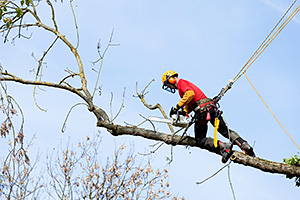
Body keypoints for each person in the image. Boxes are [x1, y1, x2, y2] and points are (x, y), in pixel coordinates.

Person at [162, 70, 255, 162]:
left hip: (202, 111)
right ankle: (244, 144)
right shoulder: (185, 83)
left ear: (171, 80)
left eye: (168, 84)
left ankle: (223, 146)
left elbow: (190, 94)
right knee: (224, 130)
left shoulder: (181, 83)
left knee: (200, 140)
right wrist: (184, 111)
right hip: (211, 108)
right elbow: (191, 101)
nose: (170, 87)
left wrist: (176, 108)